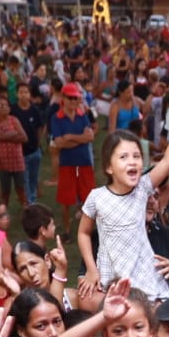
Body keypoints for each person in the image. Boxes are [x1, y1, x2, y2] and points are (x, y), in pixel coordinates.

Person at [77, 85, 169, 304]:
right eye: (123, 157)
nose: (132, 161)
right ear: (109, 167)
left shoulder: (143, 188)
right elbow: (83, 233)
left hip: (143, 281)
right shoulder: (96, 197)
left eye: (136, 156)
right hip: (110, 281)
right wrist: (91, 270)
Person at [50, 82, 96, 232]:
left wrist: (70, 137)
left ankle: (88, 230)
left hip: (84, 163)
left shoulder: (82, 116)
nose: (73, 101)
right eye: (70, 98)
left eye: (76, 98)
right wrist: (81, 139)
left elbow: (90, 137)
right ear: (63, 98)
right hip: (67, 164)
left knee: (89, 198)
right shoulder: (56, 118)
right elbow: (59, 143)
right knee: (66, 200)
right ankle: (67, 230)